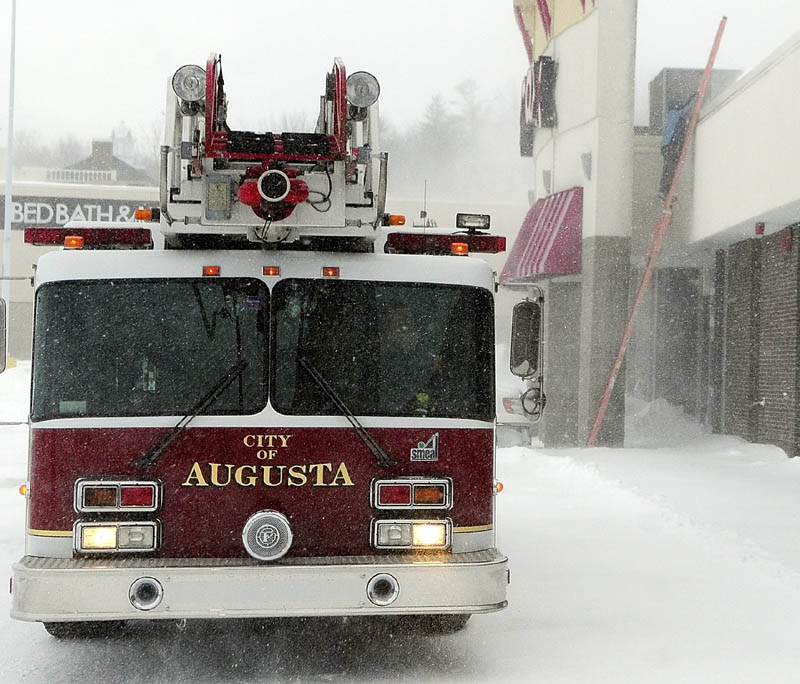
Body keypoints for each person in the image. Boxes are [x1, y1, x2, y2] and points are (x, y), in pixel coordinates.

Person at [659, 93, 697, 200]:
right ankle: (665, 191)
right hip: (671, 144)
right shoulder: (674, 114)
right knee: (670, 169)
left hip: (670, 145)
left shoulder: (671, 114)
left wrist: (690, 99)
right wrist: (695, 98)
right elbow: (686, 110)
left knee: (670, 168)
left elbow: (684, 109)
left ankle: (667, 191)